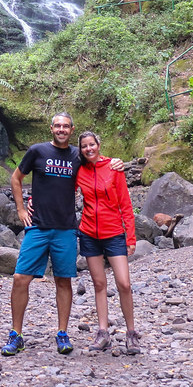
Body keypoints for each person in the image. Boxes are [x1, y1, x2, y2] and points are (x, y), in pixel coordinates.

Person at [0, 112, 124, 356]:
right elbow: (16, 178)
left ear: (71, 129)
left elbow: (97, 160)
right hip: (37, 226)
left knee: (63, 280)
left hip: (66, 229)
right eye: (57, 126)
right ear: (51, 128)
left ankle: (62, 333)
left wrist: (115, 162)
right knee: (20, 279)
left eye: (66, 126)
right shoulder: (37, 151)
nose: (61, 129)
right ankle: (16, 335)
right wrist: (21, 208)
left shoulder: (78, 155)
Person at [75, 130, 141, 355]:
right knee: (99, 284)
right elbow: (62, 190)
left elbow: (126, 205)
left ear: (98, 145)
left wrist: (130, 237)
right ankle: (103, 333)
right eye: (84, 146)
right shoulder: (79, 170)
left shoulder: (113, 168)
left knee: (124, 283)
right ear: (81, 149)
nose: (88, 149)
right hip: (89, 234)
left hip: (113, 233)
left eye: (91, 144)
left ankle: (131, 333)